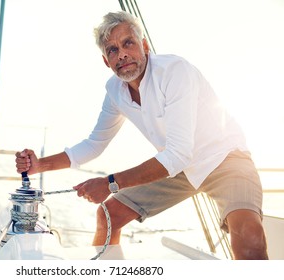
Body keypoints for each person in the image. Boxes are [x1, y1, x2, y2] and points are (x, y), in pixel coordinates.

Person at [15, 11, 268, 260]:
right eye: (112, 50)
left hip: (224, 159)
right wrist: (40, 165)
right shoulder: (115, 90)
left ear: (144, 45)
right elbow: (94, 144)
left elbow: (178, 154)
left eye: (128, 43)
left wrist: (110, 183)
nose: (122, 53)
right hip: (178, 166)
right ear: (106, 61)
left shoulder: (175, 71)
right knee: (108, 215)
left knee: (250, 238)